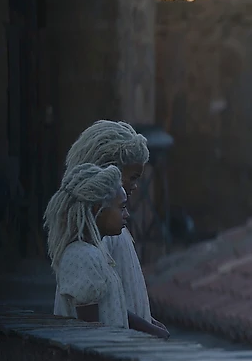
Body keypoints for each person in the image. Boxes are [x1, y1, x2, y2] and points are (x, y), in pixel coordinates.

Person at [65, 120, 169, 339]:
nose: (135, 186)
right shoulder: (100, 237)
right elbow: (100, 310)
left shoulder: (113, 229)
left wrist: (148, 320)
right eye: (132, 178)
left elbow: (119, 298)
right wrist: (149, 329)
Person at [45, 163, 130, 328]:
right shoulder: (83, 256)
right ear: (98, 210)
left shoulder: (94, 251)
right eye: (122, 207)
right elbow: (90, 332)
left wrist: (150, 328)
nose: (126, 214)